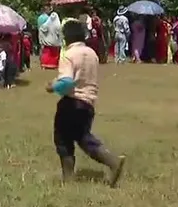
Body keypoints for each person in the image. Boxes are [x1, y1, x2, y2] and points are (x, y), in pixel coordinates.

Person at [47, 19, 126, 187]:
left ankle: (69, 177)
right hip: (88, 103)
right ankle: (112, 162)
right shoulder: (92, 54)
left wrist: (52, 86)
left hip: (71, 103)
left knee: (62, 139)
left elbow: (67, 82)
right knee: (83, 137)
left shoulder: (69, 55)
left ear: (66, 37)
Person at [38, 5, 62, 69]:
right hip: (55, 42)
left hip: (47, 41)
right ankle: (54, 65)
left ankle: (44, 65)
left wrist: (42, 39)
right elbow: (60, 33)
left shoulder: (46, 24)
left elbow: (41, 29)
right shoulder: (58, 25)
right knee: (54, 54)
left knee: (46, 53)